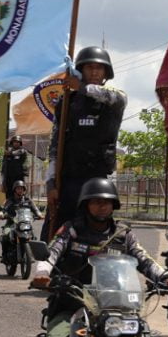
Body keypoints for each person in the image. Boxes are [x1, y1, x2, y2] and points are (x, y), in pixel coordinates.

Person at [30, 178, 168, 337]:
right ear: (86, 205)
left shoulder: (123, 234)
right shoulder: (71, 230)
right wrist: (42, 273)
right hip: (73, 306)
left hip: (116, 309)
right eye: (96, 201)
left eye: (107, 202)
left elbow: (145, 260)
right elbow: (51, 252)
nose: (102, 206)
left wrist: (166, 278)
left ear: (114, 205)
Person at [43, 46, 126, 241]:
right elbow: (55, 146)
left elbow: (115, 97)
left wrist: (80, 87)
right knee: (55, 234)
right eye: (89, 67)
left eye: (99, 68)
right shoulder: (66, 102)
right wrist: (51, 183)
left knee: (96, 235)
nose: (95, 72)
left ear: (106, 72)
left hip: (98, 180)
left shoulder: (114, 97)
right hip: (69, 179)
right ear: (81, 71)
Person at [0, 180, 42, 262]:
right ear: (14, 190)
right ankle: (4, 255)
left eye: (21, 188)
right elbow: (4, 209)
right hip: (11, 222)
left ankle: (31, 254)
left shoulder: (28, 200)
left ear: (24, 190)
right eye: (18, 188)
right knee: (5, 234)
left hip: (25, 222)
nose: (20, 190)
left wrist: (39, 214)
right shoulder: (10, 200)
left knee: (33, 236)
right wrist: (1, 214)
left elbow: (35, 209)